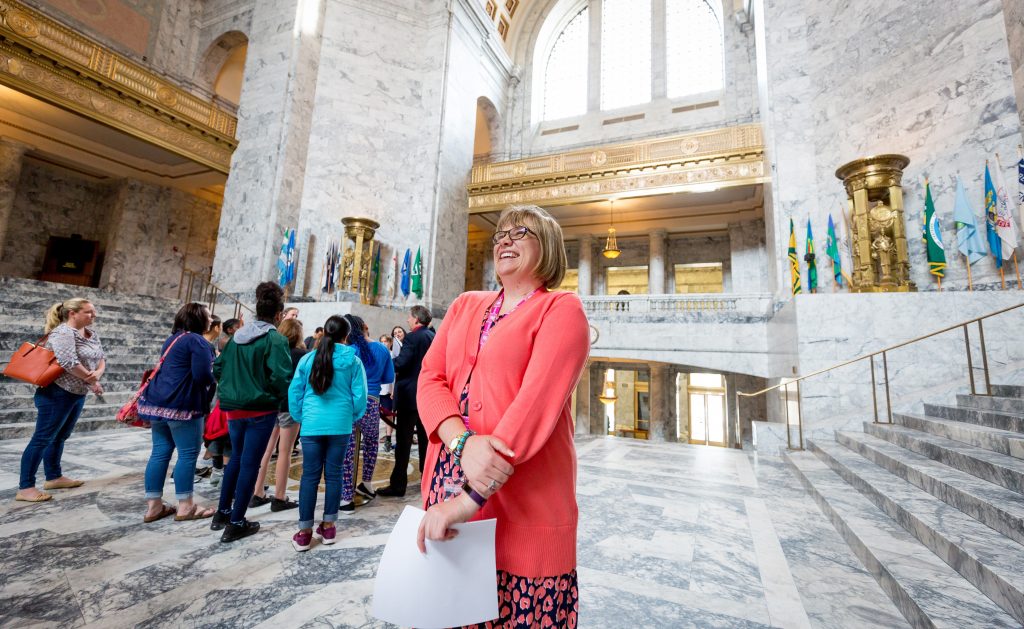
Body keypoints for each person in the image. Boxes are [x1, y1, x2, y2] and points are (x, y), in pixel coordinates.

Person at [415, 205, 589, 627]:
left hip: (523, 514)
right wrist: (462, 441)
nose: (504, 240)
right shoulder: (463, 305)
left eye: (520, 232)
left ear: (546, 246)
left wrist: (467, 499)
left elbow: (530, 411)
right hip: (445, 501)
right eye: (500, 235)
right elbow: (430, 379)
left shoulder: (561, 310)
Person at [211, 282, 293, 543]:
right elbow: (281, 377)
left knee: (235, 457)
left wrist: (233, 388)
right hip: (260, 408)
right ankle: (236, 523)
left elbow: (218, 368)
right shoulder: (274, 339)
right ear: (278, 315)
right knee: (250, 463)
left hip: (234, 408)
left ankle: (222, 513)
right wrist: (272, 394)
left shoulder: (234, 339)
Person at [288, 316, 367, 551]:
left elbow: (295, 391)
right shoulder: (353, 361)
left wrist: (302, 417)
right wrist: (349, 416)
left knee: (309, 477)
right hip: (340, 425)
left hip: (312, 424)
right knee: (334, 476)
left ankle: (304, 533)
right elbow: (359, 396)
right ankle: (329, 527)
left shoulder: (308, 358)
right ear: (346, 336)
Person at [16, 298, 106, 502]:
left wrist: (96, 375)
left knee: (60, 436)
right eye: (88, 312)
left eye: (93, 312)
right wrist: (90, 378)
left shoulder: (91, 333)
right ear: (73, 313)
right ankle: (25, 487)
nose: (94, 315)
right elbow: (67, 361)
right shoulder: (63, 332)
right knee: (42, 438)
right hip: (57, 393)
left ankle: (54, 477)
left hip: (77, 392)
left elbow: (101, 357)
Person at [138, 303, 217, 522]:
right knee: (188, 454)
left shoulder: (173, 338)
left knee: (159, 452)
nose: (211, 320)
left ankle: (153, 506)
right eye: (208, 316)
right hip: (183, 404)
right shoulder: (197, 341)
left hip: (157, 402)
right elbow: (202, 376)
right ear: (198, 318)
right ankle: (185, 506)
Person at [376, 306, 434, 497]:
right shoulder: (432, 336)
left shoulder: (413, 337)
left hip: (410, 396)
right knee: (426, 440)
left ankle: (398, 485)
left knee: (403, 442)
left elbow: (402, 363)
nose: (408, 321)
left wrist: (385, 362)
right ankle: (428, 479)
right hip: (426, 395)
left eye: (409, 318)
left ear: (416, 319)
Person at [339, 314, 394, 513]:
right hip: (372, 402)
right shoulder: (382, 349)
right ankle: (367, 483)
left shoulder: (348, 351)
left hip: (351, 403)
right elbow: (388, 377)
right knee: (371, 443)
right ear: (365, 326)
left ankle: (346, 498)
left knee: (349, 448)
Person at [249, 318, 305, 511]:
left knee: (266, 450)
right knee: (285, 451)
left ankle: (257, 492)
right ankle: (280, 497)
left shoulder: (270, 350)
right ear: (298, 335)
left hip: (268, 404)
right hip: (289, 405)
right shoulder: (301, 355)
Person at [378, 334, 396, 452]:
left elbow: (394, 375)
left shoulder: (392, 355)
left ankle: (389, 439)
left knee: (388, 415)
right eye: (382, 341)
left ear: (390, 343)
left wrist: (393, 390)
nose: (384, 343)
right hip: (377, 389)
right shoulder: (378, 354)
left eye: (386, 341)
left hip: (387, 390)